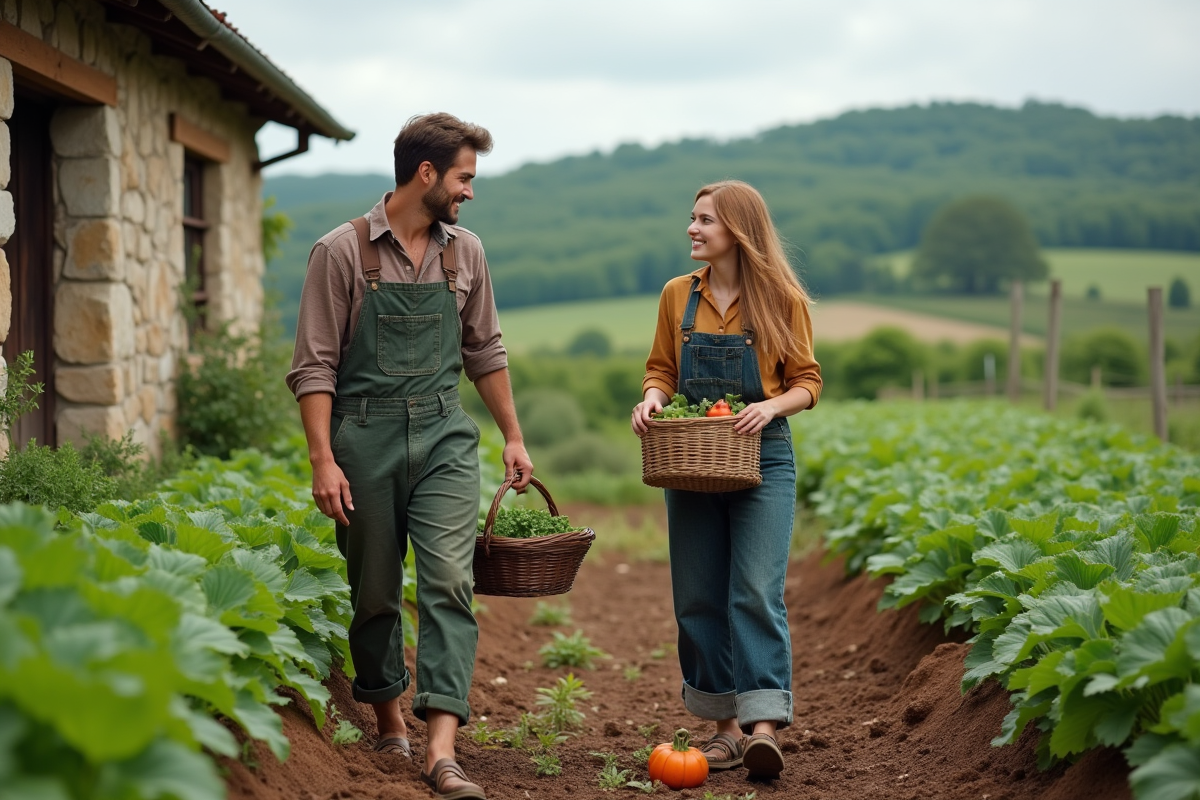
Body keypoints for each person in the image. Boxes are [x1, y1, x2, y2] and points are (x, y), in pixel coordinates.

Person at [286, 113, 532, 800]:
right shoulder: (340, 252)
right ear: (427, 175)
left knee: (449, 580)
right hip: (362, 436)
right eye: (464, 178)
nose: (470, 192)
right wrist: (322, 460)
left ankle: (441, 749)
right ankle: (389, 718)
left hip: (444, 433)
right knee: (374, 589)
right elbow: (314, 367)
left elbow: (485, 350)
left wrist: (512, 435)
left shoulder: (466, 253)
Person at [631, 180, 821, 781]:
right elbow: (661, 370)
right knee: (697, 597)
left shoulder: (782, 299)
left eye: (705, 220)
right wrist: (653, 400)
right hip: (691, 459)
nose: (692, 228)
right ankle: (725, 731)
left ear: (738, 231)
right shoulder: (677, 295)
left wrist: (770, 407)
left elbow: (808, 382)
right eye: (693, 218)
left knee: (755, 591)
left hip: (764, 457)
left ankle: (763, 727)